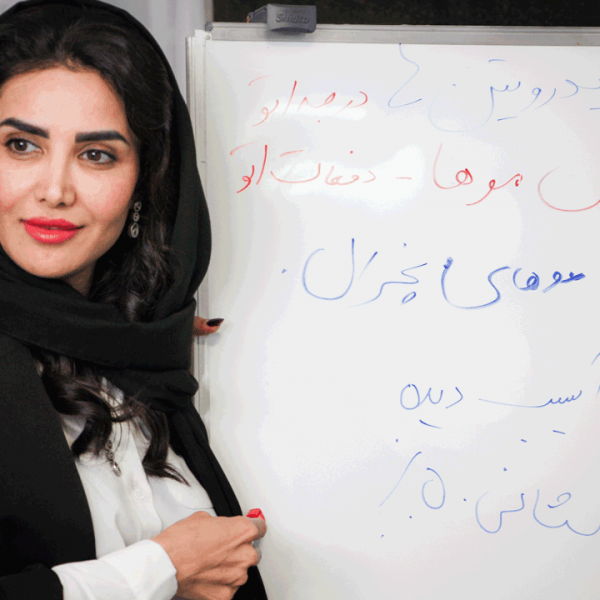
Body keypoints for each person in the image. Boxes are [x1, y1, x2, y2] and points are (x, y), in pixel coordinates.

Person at [0, 1, 268, 599]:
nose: (54, 190)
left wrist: (121, 336)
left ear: (145, 182)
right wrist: (161, 570)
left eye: (96, 154)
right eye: (20, 145)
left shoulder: (140, 353)